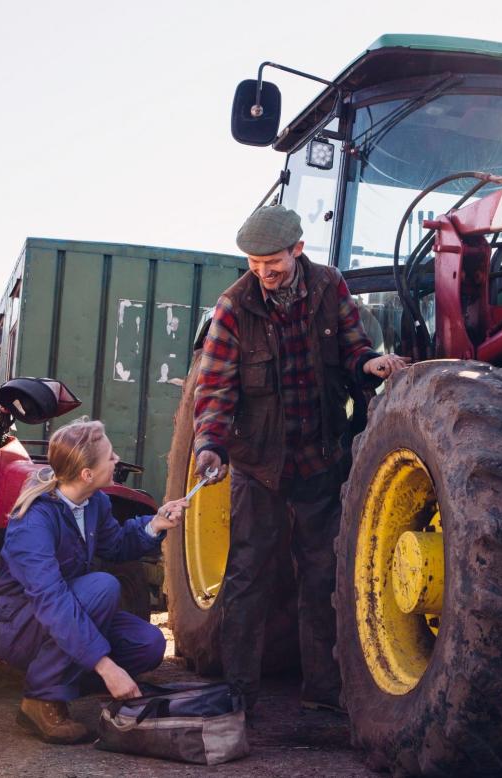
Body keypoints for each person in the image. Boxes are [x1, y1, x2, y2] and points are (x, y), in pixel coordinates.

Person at [192, 205, 408, 715]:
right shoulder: (233, 308)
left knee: (323, 573)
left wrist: (371, 363)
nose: (264, 273)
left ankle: (323, 689)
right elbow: (216, 388)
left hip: (318, 457)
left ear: (298, 250)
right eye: (254, 263)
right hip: (259, 465)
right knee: (248, 576)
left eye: (273, 262)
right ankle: (239, 692)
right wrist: (208, 445)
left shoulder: (331, 287)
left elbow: (354, 348)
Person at [0, 418, 188, 744]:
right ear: (86, 474)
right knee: (102, 587)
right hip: (18, 624)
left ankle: (68, 679)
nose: (117, 459)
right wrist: (107, 667)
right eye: (110, 456)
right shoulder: (33, 520)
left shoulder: (94, 503)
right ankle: (41, 700)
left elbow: (117, 544)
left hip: (63, 610)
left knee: (149, 644)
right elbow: (52, 601)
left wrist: (156, 524)